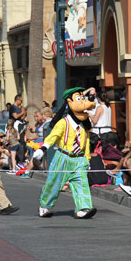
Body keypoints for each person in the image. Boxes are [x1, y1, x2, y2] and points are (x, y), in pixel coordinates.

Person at [33, 87, 97, 219]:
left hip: (79, 160)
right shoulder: (63, 123)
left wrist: (87, 159)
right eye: (78, 99)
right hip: (63, 157)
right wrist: (42, 149)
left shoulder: (83, 125)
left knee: (81, 184)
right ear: (69, 103)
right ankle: (44, 206)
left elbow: (85, 142)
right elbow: (53, 137)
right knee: (54, 184)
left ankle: (83, 208)